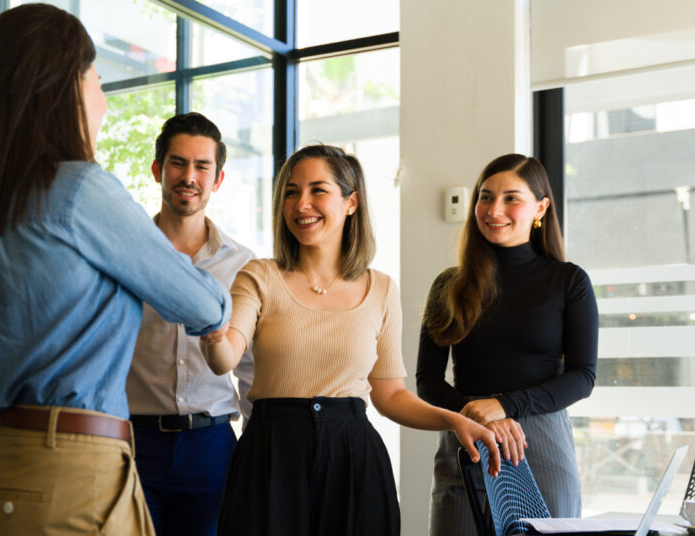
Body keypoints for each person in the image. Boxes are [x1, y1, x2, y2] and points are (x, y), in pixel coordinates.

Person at [0, 5, 230, 536]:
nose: (104, 98)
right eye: (96, 77)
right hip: (79, 473)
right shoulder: (82, 191)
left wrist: (18, 448)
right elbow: (203, 305)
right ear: (67, 86)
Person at [200, 144, 501, 536]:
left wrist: (453, 420)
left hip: (354, 461)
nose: (301, 204)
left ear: (351, 202)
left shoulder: (381, 289)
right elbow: (225, 358)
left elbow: (390, 395)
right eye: (291, 192)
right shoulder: (258, 276)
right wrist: (209, 328)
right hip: (270, 457)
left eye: (317, 190)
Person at [416, 153, 598, 535]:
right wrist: (477, 413)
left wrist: (503, 406)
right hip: (466, 440)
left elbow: (583, 376)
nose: (494, 209)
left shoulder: (568, 281)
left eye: (511, 198)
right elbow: (427, 380)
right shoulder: (449, 284)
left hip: (540, 443)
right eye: (485, 197)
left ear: (540, 207)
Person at [126, 112, 255, 536]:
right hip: (133, 442)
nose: (189, 176)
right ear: (157, 170)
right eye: (178, 163)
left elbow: (253, 370)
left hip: (212, 446)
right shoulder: (123, 256)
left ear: (217, 179)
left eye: (202, 166)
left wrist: (255, 449)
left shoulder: (244, 265)